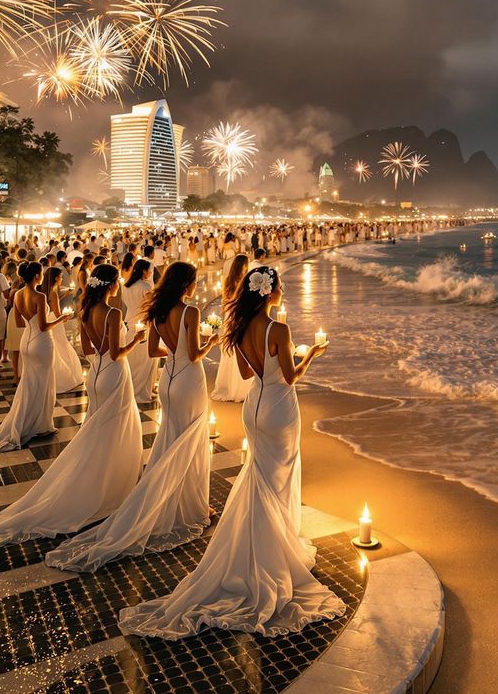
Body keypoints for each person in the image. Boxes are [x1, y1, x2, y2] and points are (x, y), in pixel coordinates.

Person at [118, 266, 342, 639]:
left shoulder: (239, 329)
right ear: (269, 292)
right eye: (280, 286)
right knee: (278, 477)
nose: (282, 290)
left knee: (261, 475)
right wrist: (312, 355)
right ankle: (274, 547)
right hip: (279, 407)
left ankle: (259, 545)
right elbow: (290, 377)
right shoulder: (279, 330)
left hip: (254, 405)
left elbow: (246, 370)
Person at [0, 265, 144, 553]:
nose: (119, 285)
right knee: (118, 429)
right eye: (117, 282)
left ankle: (103, 478)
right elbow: (116, 353)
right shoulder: (112, 314)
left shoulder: (86, 310)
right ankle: (114, 483)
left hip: (96, 374)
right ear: (111, 284)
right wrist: (136, 340)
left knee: (99, 430)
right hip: (114, 373)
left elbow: (90, 350)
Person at [46, 262, 215, 572]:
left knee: (171, 439)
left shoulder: (158, 312)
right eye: (193, 282)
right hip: (189, 380)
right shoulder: (189, 313)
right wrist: (210, 344)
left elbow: (153, 351)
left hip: (167, 383)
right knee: (191, 441)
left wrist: (173, 353)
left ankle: (175, 498)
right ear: (187, 284)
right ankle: (192, 505)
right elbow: (193, 356)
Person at [0, 263, 67, 452]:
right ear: (37, 276)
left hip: (26, 340)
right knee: (43, 384)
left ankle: (29, 420)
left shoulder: (17, 294)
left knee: (29, 383)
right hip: (42, 342)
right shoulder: (40, 296)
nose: (42, 276)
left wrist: (33, 324)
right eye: (41, 274)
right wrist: (62, 319)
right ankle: (42, 425)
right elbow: (44, 326)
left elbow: (19, 322)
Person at [211, 255, 254, 402]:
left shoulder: (228, 280)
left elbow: (225, 304)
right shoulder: (243, 281)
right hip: (239, 316)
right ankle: (240, 388)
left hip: (230, 317)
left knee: (231, 352)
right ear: (242, 265)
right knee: (241, 350)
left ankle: (229, 385)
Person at [42, 266, 84, 393]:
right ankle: (64, 378)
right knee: (61, 347)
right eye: (60, 276)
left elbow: (50, 305)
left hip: (49, 319)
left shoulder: (46, 291)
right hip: (55, 322)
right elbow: (56, 312)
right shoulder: (53, 292)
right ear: (56, 278)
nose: (62, 279)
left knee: (57, 347)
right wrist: (66, 316)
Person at [119, 258, 157, 403]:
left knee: (133, 359)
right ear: (143, 271)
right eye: (149, 270)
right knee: (145, 359)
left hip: (130, 321)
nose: (150, 273)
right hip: (143, 322)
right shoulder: (145, 287)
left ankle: (138, 388)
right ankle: (141, 392)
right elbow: (151, 305)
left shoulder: (126, 286)